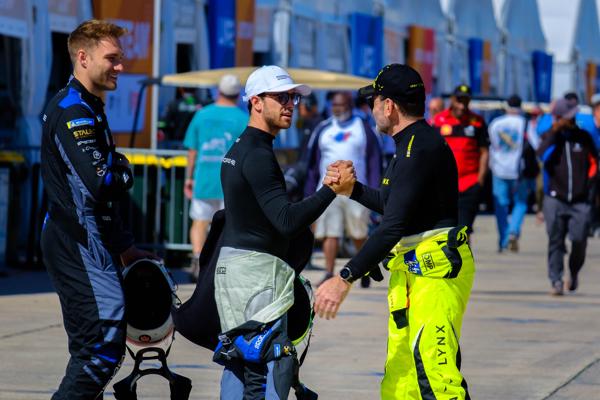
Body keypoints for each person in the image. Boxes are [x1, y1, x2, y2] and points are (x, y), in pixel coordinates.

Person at [315, 64, 475, 400]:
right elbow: (394, 205)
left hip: (435, 273)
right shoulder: (410, 144)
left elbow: (392, 226)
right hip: (414, 269)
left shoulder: (419, 147)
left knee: (434, 375)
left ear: (388, 106)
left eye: (372, 101)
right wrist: (352, 189)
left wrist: (344, 278)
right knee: (401, 378)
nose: (371, 109)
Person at [214, 65, 355, 399]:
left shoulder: (243, 147)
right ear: (256, 102)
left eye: (292, 97)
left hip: (238, 271)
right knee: (267, 368)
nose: (290, 104)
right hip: (256, 276)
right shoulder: (258, 154)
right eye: (281, 98)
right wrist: (330, 190)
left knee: (239, 364)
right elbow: (287, 221)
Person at [40, 20, 157, 399]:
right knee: (100, 349)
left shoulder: (89, 106)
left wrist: (125, 247)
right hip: (75, 240)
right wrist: (124, 168)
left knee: (97, 347)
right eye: (112, 59)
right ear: (83, 57)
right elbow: (104, 182)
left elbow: (102, 198)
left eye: (120, 58)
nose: (120, 67)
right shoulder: (72, 110)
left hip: (89, 238)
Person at [304, 91, 382, 287]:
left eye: (342, 105)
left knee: (359, 233)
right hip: (328, 190)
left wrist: (374, 190)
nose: (338, 109)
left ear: (350, 106)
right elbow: (312, 163)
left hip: (358, 191)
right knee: (330, 232)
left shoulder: (363, 128)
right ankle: (329, 272)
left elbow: (374, 160)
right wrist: (310, 191)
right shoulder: (323, 128)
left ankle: (365, 269)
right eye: (335, 105)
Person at [183, 74, 247, 281]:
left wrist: (188, 178)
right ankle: (223, 265)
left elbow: (192, 150)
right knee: (229, 225)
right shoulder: (243, 118)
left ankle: (197, 259)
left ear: (218, 91)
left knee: (200, 222)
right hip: (231, 181)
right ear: (237, 94)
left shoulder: (202, 115)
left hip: (204, 178)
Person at [537, 98, 598, 296]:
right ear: (558, 117)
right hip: (555, 198)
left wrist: (589, 188)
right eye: (567, 117)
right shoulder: (551, 137)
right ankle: (556, 280)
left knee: (579, 240)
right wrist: (554, 133)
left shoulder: (584, 137)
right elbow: (540, 154)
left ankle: (574, 272)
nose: (571, 120)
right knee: (555, 240)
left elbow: (594, 164)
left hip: (580, 200)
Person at [432, 84, 490, 235]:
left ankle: (463, 251)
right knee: (442, 232)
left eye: (466, 101)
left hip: (469, 185)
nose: (462, 106)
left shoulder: (478, 122)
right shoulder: (438, 121)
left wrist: (480, 180)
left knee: (462, 232)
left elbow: (484, 152)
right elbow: (430, 151)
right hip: (443, 186)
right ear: (452, 99)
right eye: (459, 100)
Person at [488, 95, 537, 252]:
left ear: (507, 106)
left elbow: (492, 145)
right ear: (520, 106)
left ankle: (503, 239)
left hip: (498, 169)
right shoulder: (525, 123)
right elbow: (536, 144)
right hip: (518, 170)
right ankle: (513, 231)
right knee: (520, 203)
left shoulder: (496, 123)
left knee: (501, 205)